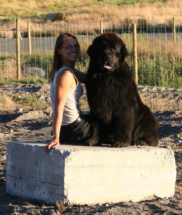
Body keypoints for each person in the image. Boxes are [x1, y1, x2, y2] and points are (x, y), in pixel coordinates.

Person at [44, 33, 90, 153]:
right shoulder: (66, 75)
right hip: (75, 129)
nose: (73, 49)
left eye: (75, 46)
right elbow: (59, 107)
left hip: (70, 127)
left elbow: (89, 79)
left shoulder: (66, 70)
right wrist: (56, 137)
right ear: (59, 51)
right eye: (68, 47)